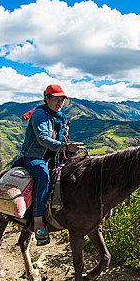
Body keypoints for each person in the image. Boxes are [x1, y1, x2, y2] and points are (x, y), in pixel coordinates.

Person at [21, 84, 85, 246]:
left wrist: (66, 134)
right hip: (35, 157)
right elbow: (43, 138)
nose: (59, 103)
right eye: (56, 99)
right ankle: (38, 221)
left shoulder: (60, 116)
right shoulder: (39, 115)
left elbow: (61, 136)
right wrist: (64, 147)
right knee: (43, 176)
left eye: (62, 100)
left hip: (54, 156)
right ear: (46, 98)